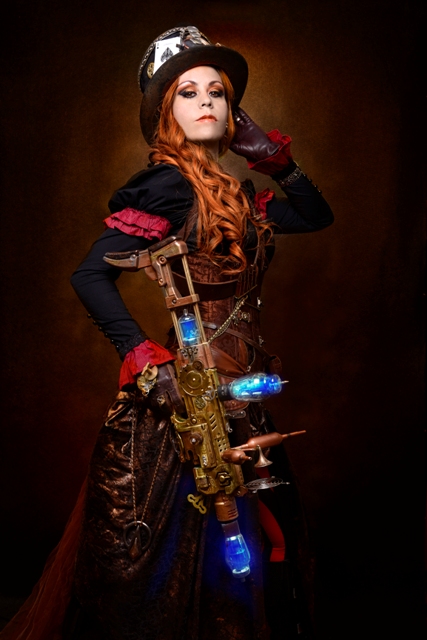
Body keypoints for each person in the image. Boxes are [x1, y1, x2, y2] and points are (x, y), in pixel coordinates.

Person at [0, 25, 333, 640]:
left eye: (217, 93)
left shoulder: (237, 194)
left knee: (257, 551)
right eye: (188, 93)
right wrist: (148, 363)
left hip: (246, 398)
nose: (206, 102)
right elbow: (89, 275)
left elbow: (316, 215)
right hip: (187, 400)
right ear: (166, 114)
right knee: (176, 559)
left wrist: (273, 158)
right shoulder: (166, 186)